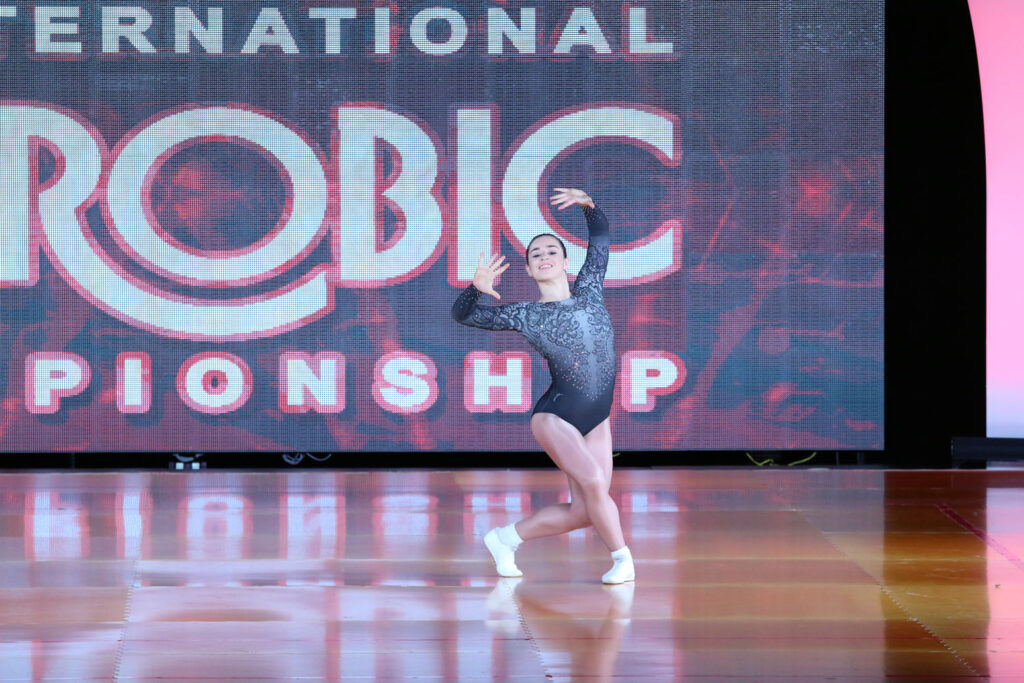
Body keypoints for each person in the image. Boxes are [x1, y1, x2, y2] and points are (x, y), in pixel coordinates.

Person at [451, 187, 634, 584]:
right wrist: (475, 289)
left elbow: (600, 240)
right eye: (536, 255)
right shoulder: (525, 314)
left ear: (566, 262)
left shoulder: (590, 289)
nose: (544, 256)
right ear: (530, 271)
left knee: (585, 510)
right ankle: (623, 559)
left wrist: (589, 205)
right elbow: (463, 315)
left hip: (597, 418)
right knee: (594, 484)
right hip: (556, 417)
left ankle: (505, 539)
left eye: (552, 250)